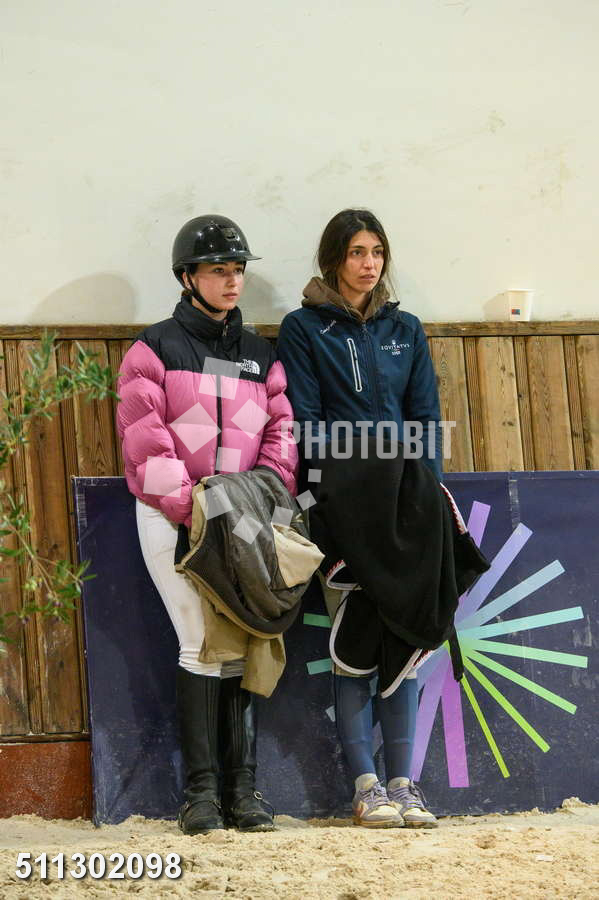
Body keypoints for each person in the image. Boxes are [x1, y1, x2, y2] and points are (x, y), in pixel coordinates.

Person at [117, 215, 298, 835]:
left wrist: (263, 497)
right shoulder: (153, 349)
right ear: (188, 277)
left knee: (244, 641)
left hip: (241, 516)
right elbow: (146, 441)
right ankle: (200, 795)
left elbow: (281, 432)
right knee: (198, 642)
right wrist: (192, 509)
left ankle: (242, 791)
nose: (232, 280)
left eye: (238, 269)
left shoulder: (261, 355)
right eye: (219, 269)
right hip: (173, 517)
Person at [277, 208, 442, 828]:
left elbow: (425, 418)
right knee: (354, 647)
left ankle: (405, 784)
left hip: (406, 509)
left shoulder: (406, 329)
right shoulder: (303, 327)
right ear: (333, 260)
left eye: (376, 252)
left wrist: (424, 492)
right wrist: (357, 479)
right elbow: (307, 423)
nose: (369, 263)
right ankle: (366, 786)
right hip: (342, 509)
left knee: (406, 645)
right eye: (356, 253)